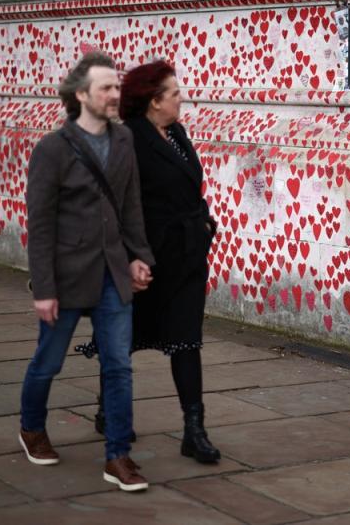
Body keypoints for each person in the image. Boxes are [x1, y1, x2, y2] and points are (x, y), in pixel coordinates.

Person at [20, 51, 155, 492]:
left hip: (113, 274)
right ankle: (32, 428)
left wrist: (140, 257)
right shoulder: (51, 149)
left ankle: (117, 456)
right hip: (65, 276)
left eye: (117, 87)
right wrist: (44, 289)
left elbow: (130, 205)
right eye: (107, 88)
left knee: (118, 366)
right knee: (49, 362)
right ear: (81, 95)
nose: (116, 94)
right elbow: (39, 225)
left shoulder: (124, 141)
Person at [116, 59, 221, 464]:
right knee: (123, 338)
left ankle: (194, 430)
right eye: (174, 92)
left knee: (186, 340)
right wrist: (130, 258)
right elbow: (120, 203)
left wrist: (205, 221)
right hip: (147, 257)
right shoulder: (127, 139)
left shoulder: (177, 132)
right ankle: (111, 411)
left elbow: (187, 185)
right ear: (153, 100)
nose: (182, 98)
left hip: (187, 254)